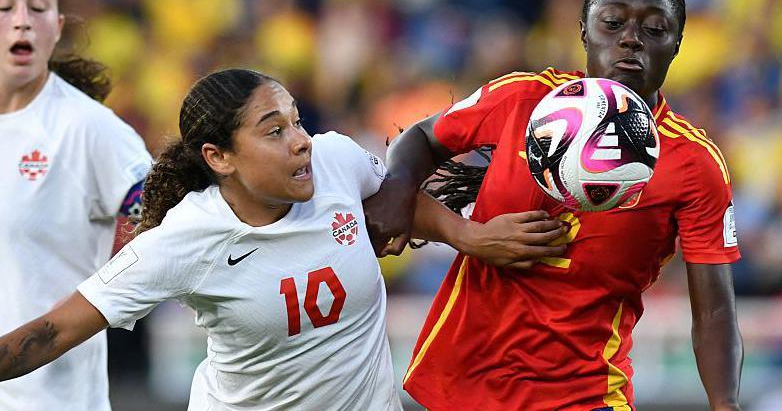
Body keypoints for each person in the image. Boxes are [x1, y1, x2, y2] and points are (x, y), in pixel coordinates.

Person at [0, 68, 568, 410]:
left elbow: (398, 202)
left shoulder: (337, 161)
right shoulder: (183, 240)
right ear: (219, 158)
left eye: (296, 120)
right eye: (275, 131)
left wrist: (468, 235)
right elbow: (53, 332)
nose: (301, 141)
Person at [365, 0, 743, 411]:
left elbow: (715, 309)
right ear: (583, 31)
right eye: (613, 22)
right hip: (463, 384)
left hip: (585, 395)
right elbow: (423, 138)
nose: (631, 39)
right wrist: (408, 194)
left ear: (677, 44)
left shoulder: (694, 163)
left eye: (655, 29)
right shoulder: (523, 99)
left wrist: (726, 405)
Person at [0, 0, 151, 410]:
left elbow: (166, 228)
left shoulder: (88, 129)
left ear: (58, 26)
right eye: (4, 5)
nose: (22, 20)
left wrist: (93, 307)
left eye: (38, 5)